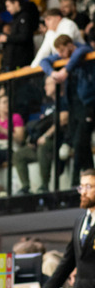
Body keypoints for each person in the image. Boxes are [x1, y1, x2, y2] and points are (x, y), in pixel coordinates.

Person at [41, 34, 95, 186]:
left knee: (80, 142)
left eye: (63, 51)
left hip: (88, 105)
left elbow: (80, 51)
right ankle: (89, 177)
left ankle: (79, 179)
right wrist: (53, 73)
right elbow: (43, 61)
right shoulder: (63, 57)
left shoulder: (83, 52)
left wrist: (65, 70)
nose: (60, 55)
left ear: (70, 45)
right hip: (74, 106)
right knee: (79, 144)